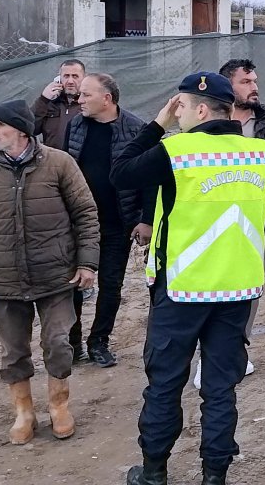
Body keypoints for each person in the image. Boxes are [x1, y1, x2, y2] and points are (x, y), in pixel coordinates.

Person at [111, 72, 265, 485]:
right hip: (238, 287)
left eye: (181, 107)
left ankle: (153, 474)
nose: (177, 113)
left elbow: (121, 173)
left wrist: (157, 123)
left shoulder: (177, 151)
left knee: (165, 384)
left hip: (182, 289)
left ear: (201, 109)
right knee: (221, 388)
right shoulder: (260, 153)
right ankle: (214, 476)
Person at [0, 100, 100, 445]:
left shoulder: (60, 163)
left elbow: (86, 215)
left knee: (58, 343)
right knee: (13, 350)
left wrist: (87, 263)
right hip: (5, 278)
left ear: (20, 129)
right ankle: (24, 412)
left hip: (56, 275)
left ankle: (58, 407)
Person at [206, 57, 265, 382]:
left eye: (255, 81)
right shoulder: (205, 121)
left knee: (249, 288)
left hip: (257, 225)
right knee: (213, 285)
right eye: (246, 82)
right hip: (213, 225)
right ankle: (211, 352)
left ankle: (236, 348)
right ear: (227, 86)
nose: (254, 87)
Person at [64, 73, 154, 368]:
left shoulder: (136, 130)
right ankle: (72, 344)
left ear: (107, 99)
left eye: (85, 95)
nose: (79, 101)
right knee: (73, 283)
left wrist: (144, 219)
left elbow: (150, 181)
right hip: (78, 224)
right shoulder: (76, 125)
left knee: (111, 285)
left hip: (118, 222)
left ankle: (99, 342)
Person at [33, 58, 86, 150]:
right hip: (52, 161)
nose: (70, 81)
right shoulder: (48, 103)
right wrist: (43, 99)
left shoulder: (89, 103)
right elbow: (30, 128)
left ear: (84, 78)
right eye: (66, 76)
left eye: (75, 76)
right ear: (59, 79)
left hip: (78, 162)